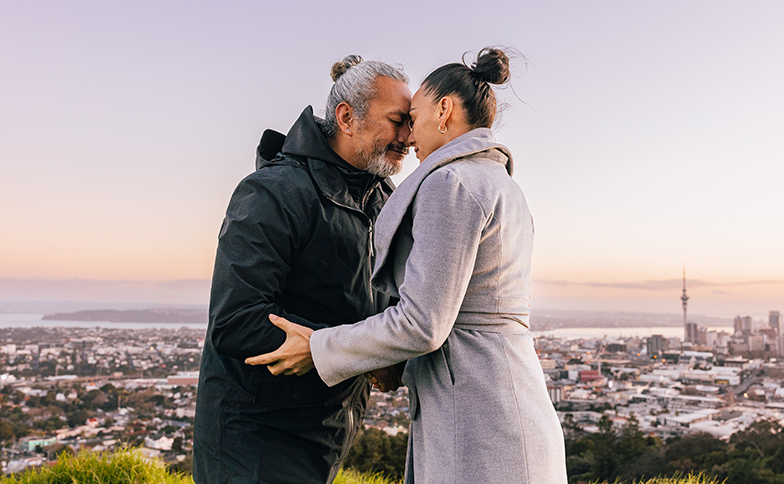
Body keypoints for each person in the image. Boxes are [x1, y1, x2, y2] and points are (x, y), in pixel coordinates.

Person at [247, 48, 568, 484]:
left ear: (444, 110)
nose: (409, 136)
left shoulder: (450, 183)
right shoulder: (502, 185)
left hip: (479, 419)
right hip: (506, 404)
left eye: (412, 118)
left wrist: (320, 348)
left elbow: (422, 324)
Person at [194, 55, 412, 484]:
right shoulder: (274, 191)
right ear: (347, 117)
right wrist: (360, 355)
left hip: (328, 426)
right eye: (397, 121)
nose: (408, 136)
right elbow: (236, 321)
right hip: (254, 438)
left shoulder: (382, 200)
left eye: (411, 122)